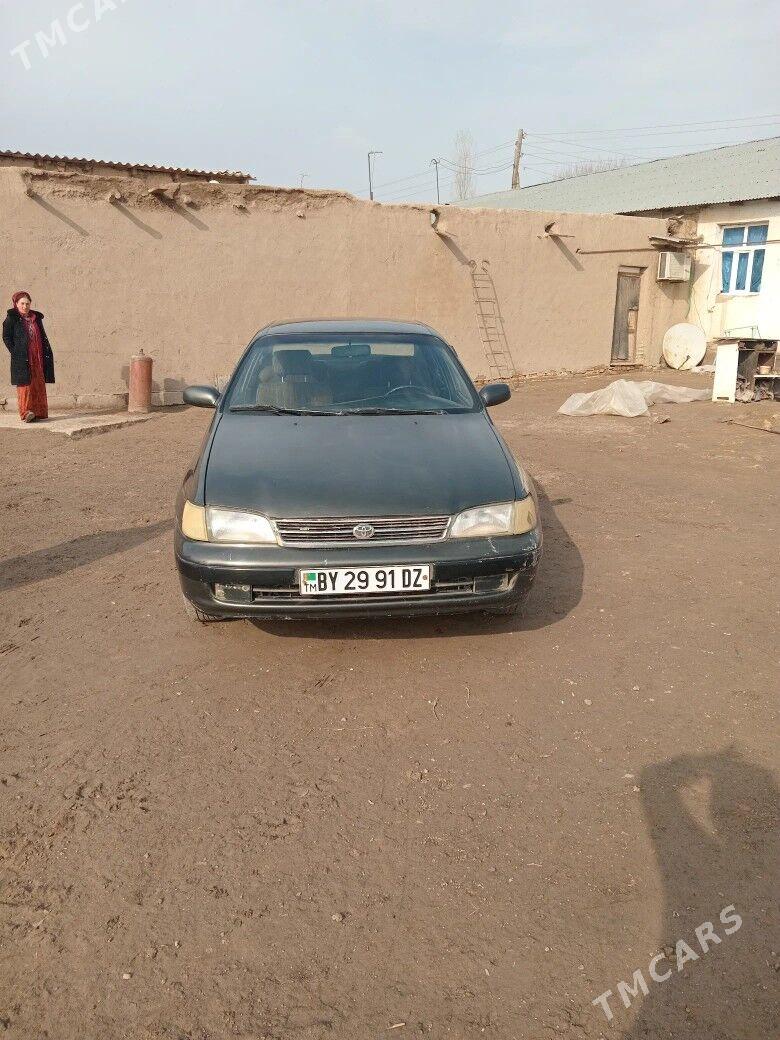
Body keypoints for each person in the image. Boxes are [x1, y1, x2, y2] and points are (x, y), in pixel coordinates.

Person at [3, 291, 55, 422]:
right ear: (16, 304)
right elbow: (6, 337)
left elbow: (42, 336)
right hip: (22, 357)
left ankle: (38, 412)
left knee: (38, 384)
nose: (25, 306)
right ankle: (26, 413)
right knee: (24, 386)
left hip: (37, 356)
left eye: (27, 303)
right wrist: (15, 351)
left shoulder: (36, 318)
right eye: (22, 303)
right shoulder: (11, 318)